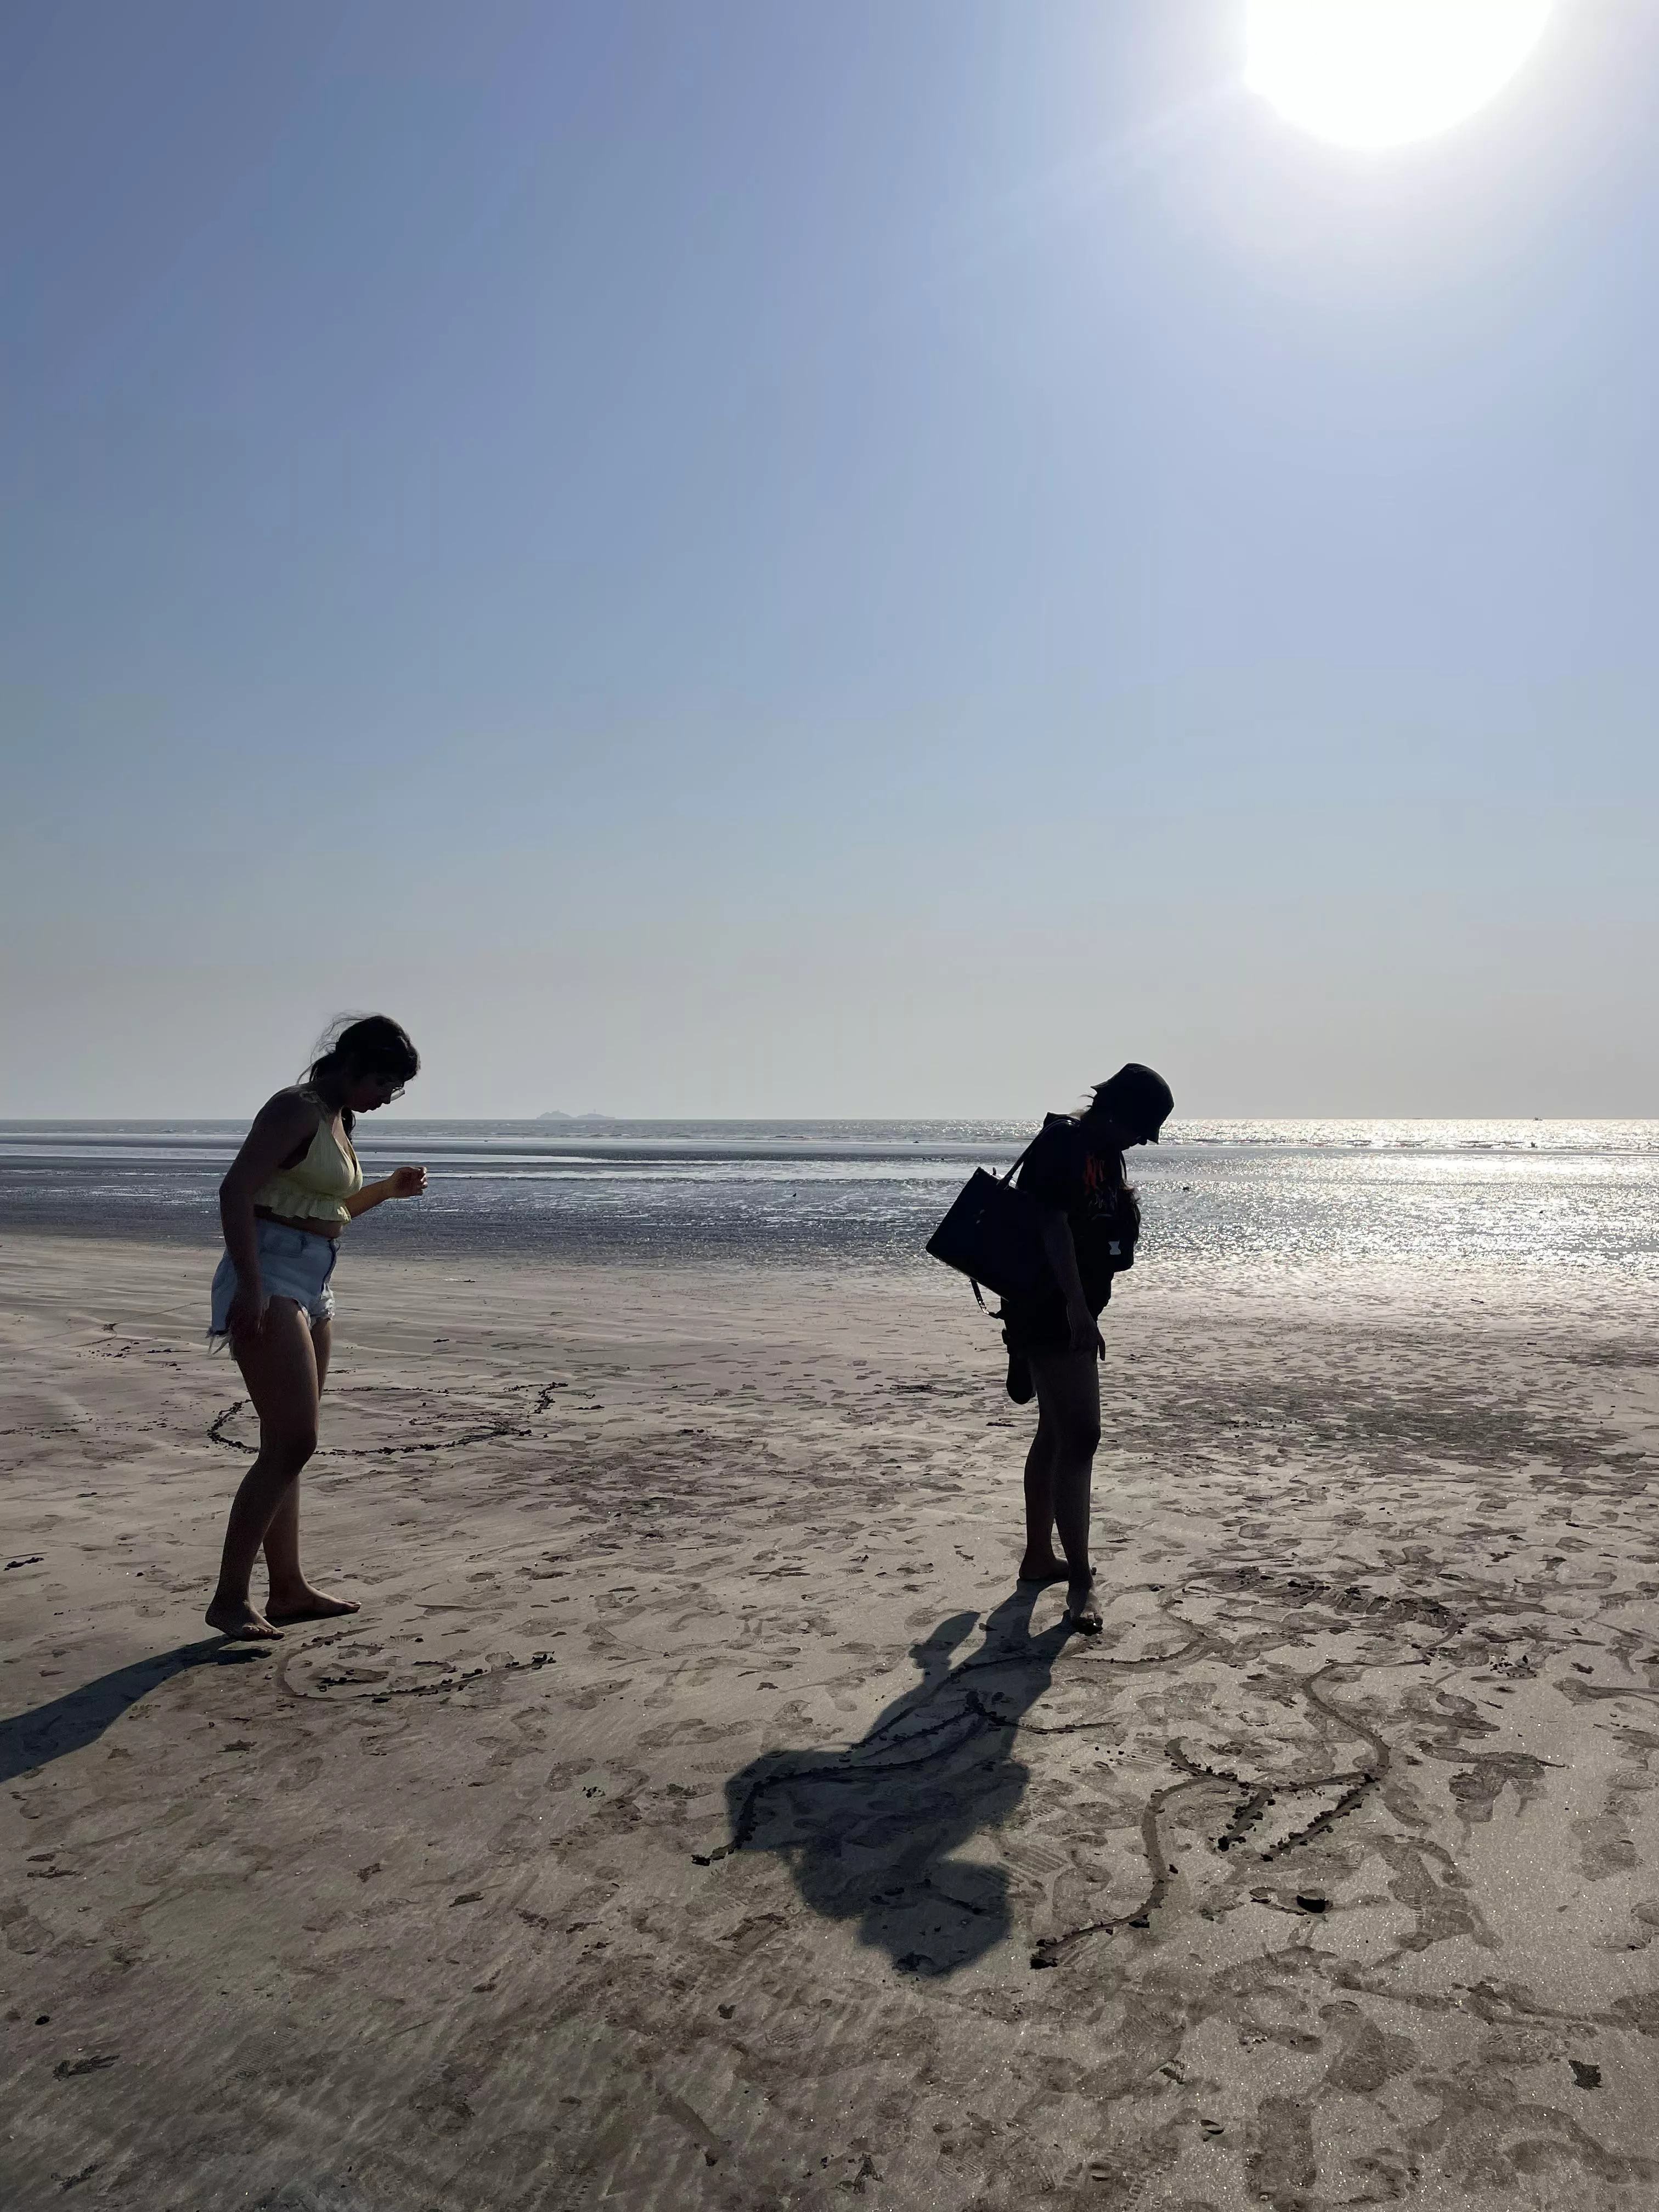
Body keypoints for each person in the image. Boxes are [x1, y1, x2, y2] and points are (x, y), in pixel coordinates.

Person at [205, 1015, 427, 1641]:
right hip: (268, 1275)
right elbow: (235, 1191)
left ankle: (289, 1590)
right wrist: (249, 1285)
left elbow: (327, 1212)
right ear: (350, 1063)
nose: (384, 1098)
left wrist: (384, 1190)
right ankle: (229, 1599)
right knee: (292, 1441)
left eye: (394, 1088)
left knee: (288, 1444)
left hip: (313, 1281)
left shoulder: (335, 1119)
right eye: (382, 1081)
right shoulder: (295, 1107)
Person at [1003, 1062, 1173, 1634]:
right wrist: (1077, 1309)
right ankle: (1080, 1579)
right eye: (1138, 1130)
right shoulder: (1066, 1146)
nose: (1137, 1142)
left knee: (1055, 1433)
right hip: (1051, 1310)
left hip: (1068, 1309)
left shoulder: (1103, 1153)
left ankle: (1037, 1559)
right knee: (1083, 1436)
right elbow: (1051, 1227)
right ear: (1115, 1112)